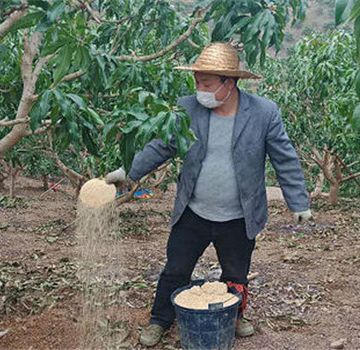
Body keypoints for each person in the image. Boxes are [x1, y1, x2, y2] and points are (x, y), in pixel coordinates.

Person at [105, 42, 312, 347]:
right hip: (194, 211)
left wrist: (299, 202)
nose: (199, 89)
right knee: (175, 269)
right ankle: (160, 320)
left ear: (229, 84)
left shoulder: (264, 113)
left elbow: (285, 159)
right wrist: (129, 173)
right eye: (197, 82)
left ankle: (235, 316)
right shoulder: (187, 108)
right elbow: (161, 146)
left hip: (239, 215)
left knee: (236, 274)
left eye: (207, 83)